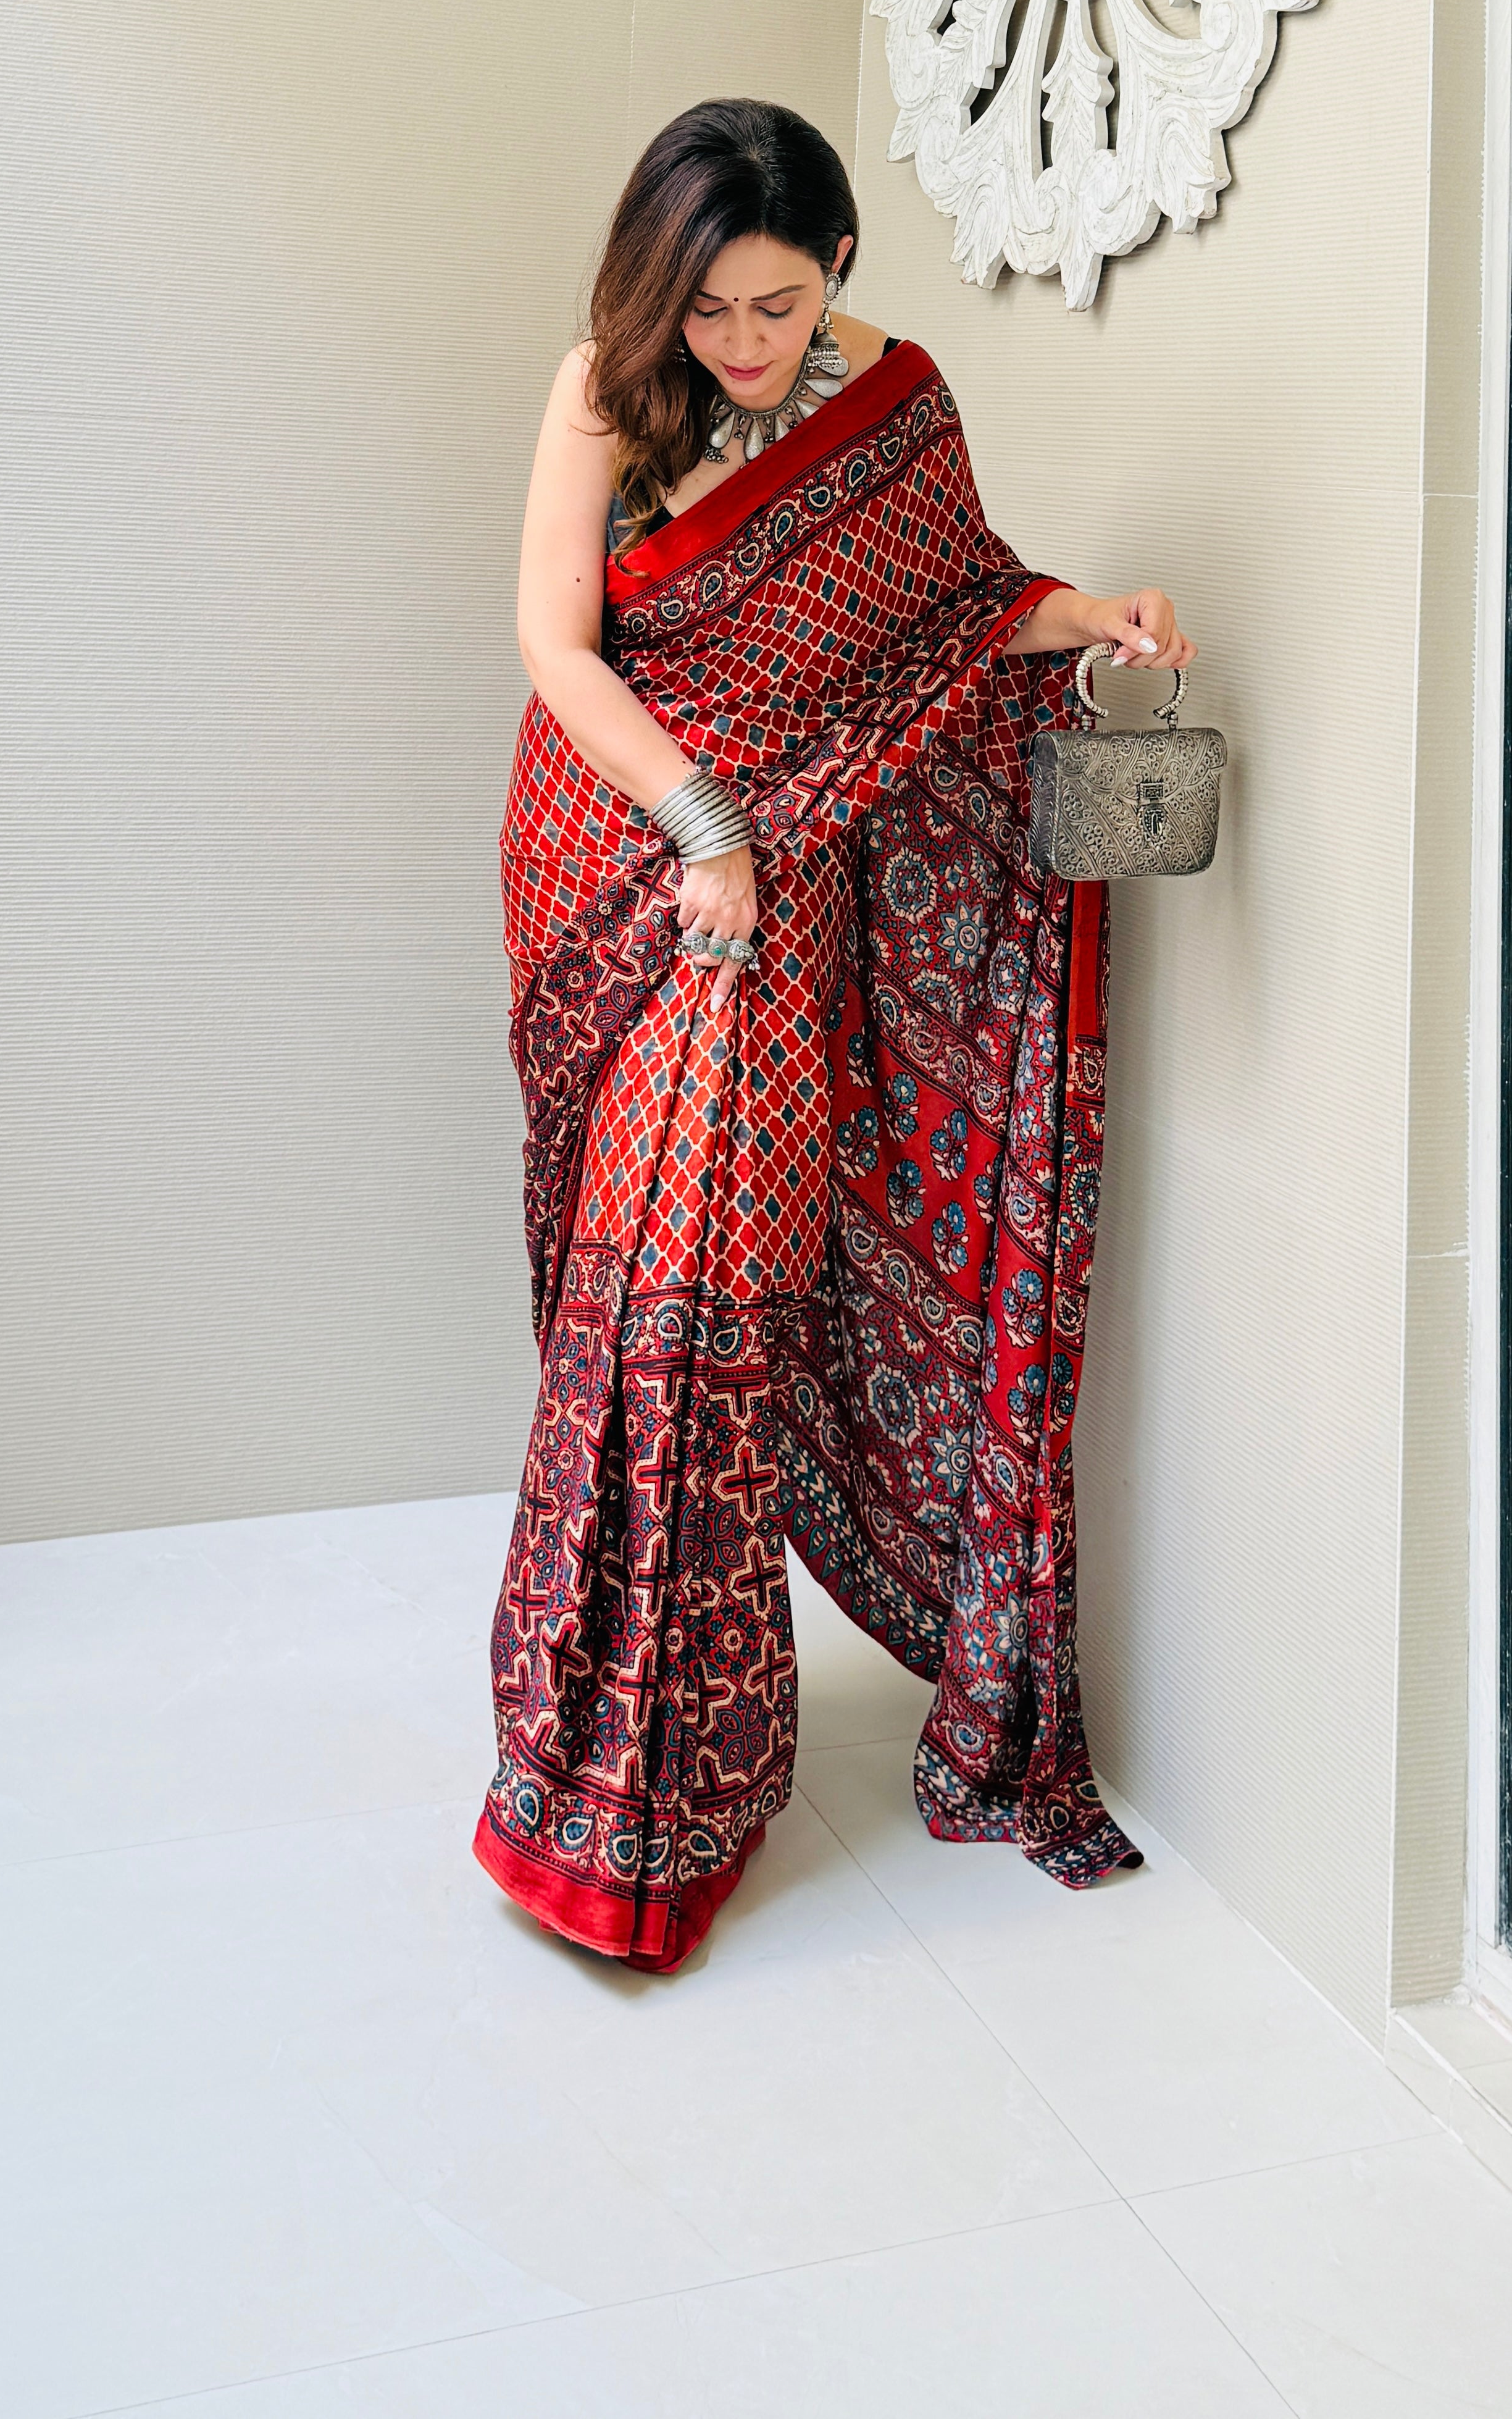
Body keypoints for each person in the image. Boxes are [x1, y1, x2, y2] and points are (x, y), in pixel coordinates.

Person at [473, 99, 1197, 1971]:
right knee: (625, 1306)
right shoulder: (602, 393)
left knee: (698, 1317)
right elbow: (558, 645)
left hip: (767, 910)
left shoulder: (900, 406)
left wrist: (1084, 619)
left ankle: (667, 1800)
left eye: (776, 307)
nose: (738, 346)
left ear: (841, 276)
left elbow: (949, 612)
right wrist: (701, 822)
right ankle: (577, 1781)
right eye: (706, 308)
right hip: (625, 861)